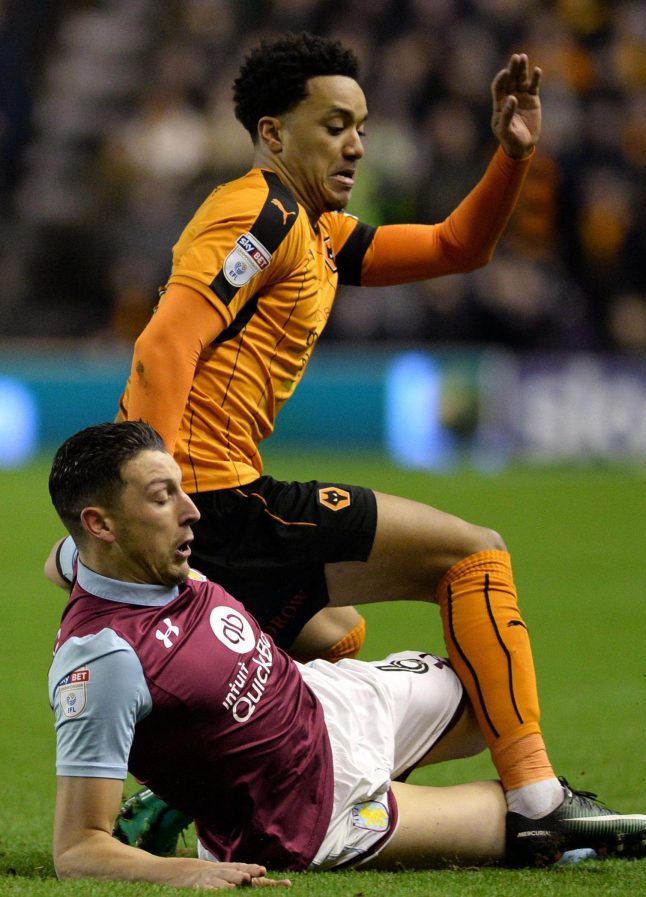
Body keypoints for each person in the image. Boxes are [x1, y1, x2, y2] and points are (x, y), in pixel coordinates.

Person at [65, 31, 592, 846]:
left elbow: (460, 246)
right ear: (274, 134)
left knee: (333, 634)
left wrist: (512, 154)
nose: (354, 144)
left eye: (362, 127)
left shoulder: (320, 230)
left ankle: (194, 792)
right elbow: (164, 344)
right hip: (217, 498)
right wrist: (152, 498)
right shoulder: (261, 211)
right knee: (473, 555)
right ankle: (536, 800)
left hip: (220, 497)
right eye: (334, 124)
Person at [47, 421, 646, 886]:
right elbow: (77, 847)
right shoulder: (101, 663)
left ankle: (174, 798)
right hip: (306, 813)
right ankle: (557, 822)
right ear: (103, 523)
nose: (192, 510)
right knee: (525, 828)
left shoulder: (125, 552)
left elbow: (66, 560)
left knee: (491, 694)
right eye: (164, 496)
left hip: (326, 702)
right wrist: (185, 871)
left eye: (181, 486)